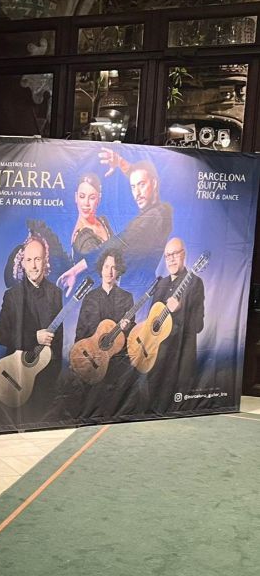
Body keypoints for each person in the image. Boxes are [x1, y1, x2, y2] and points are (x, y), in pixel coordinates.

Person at [57, 153, 173, 294]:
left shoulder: (155, 216)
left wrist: (78, 268)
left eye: (141, 185)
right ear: (75, 197)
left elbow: (120, 241)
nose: (137, 193)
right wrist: (122, 164)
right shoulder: (83, 237)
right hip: (124, 294)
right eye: (133, 187)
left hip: (136, 294)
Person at [0, 233, 63, 412]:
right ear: (22, 263)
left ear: (45, 261)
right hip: (16, 374)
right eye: (29, 260)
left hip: (46, 377)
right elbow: (0, 335)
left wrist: (54, 372)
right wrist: (34, 337)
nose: (33, 265)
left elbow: (59, 338)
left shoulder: (55, 293)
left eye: (38, 259)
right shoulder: (12, 295)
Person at [72, 249, 137, 418]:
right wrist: (79, 357)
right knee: (90, 405)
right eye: (106, 266)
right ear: (101, 268)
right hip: (92, 360)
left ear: (118, 271)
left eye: (113, 267)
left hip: (115, 364)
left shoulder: (127, 298)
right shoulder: (90, 298)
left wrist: (127, 327)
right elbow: (80, 331)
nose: (109, 271)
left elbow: (131, 335)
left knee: (112, 406)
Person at [147, 237, 204, 413]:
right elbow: (152, 322)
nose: (171, 259)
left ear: (184, 254)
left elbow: (198, 326)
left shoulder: (195, 283)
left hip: (181, 359)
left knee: (177, 413)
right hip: (158, 357)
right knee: (153, 407)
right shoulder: (160, 285)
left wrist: (179, 309)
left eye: (175, 254)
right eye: (167, 255)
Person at [69, 173, 114, 263]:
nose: (86, 203)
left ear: (99, 199)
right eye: (82, 196)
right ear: (76, 197)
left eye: (92, 198)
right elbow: (98, 267)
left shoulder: (103, 221)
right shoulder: (82, 235)